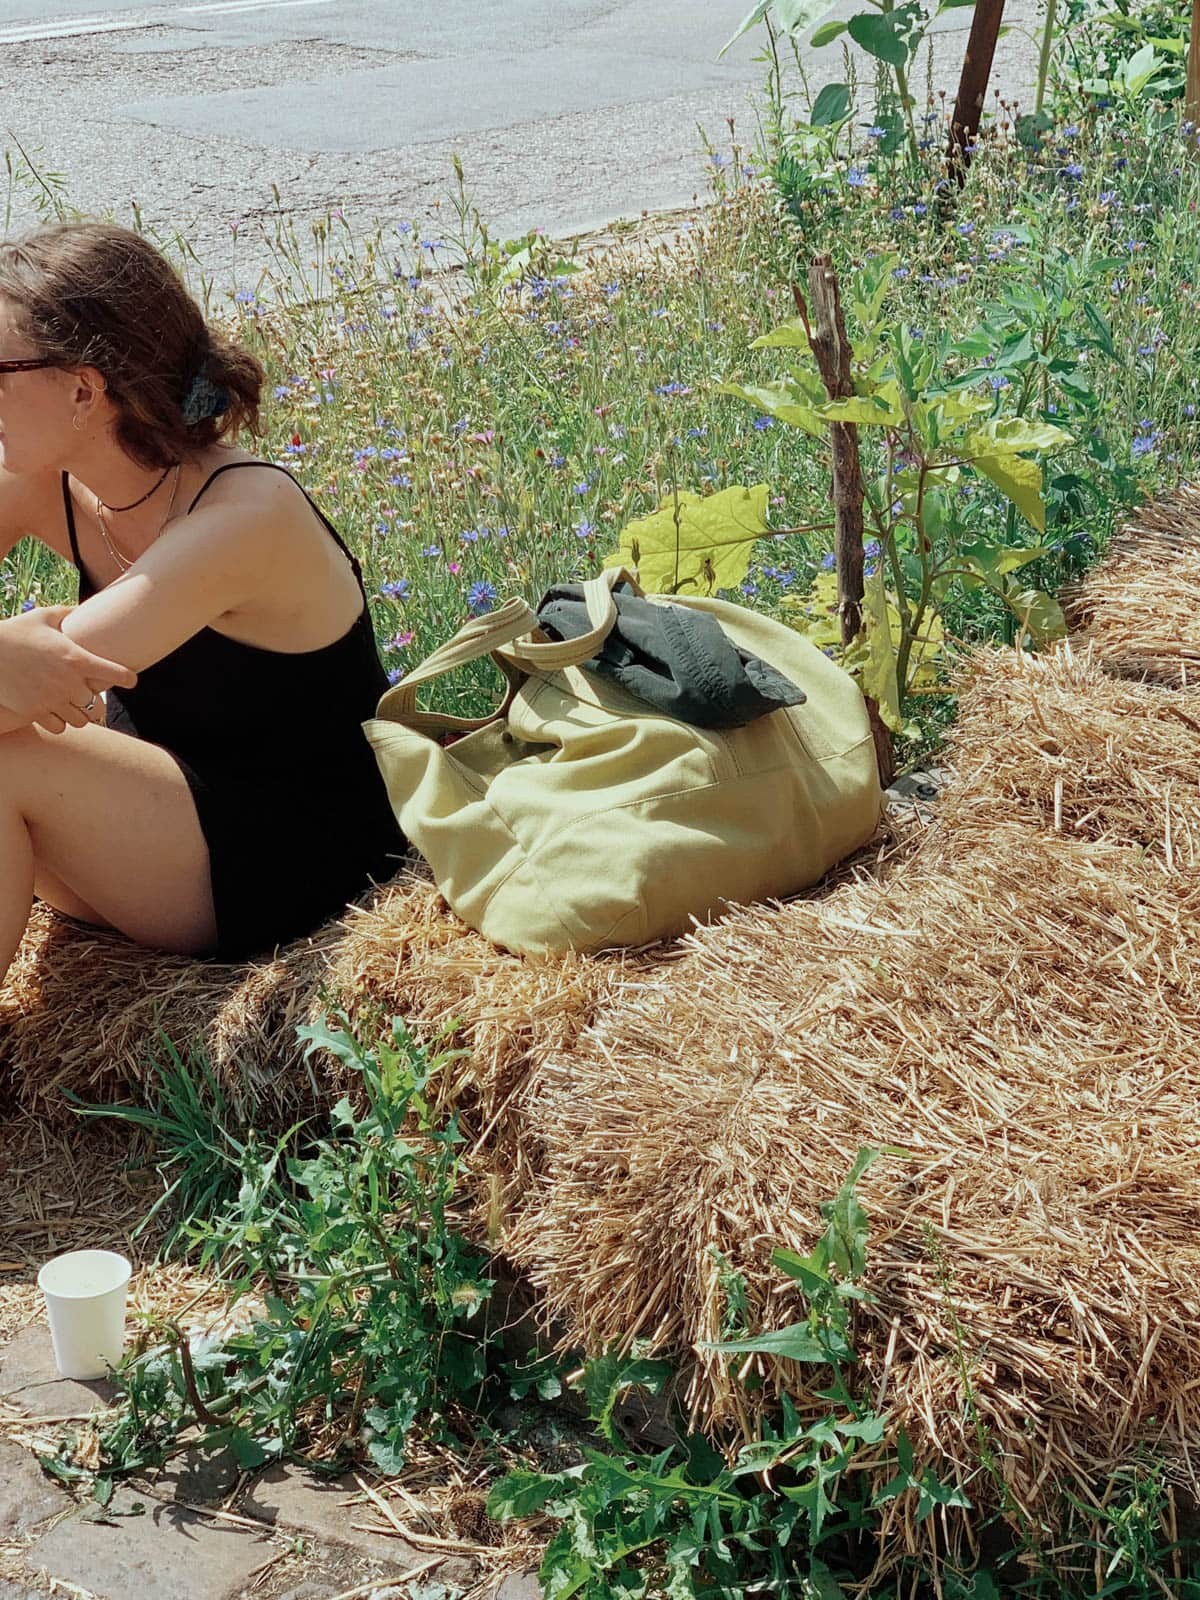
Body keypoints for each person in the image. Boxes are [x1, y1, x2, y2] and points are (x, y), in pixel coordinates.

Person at [0, 220, 408, 981]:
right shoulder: (47, 478)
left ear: (84, 391)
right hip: (155, 816)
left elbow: (33, 686)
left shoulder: (242, 518)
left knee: (2, 764)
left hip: (287, 853)